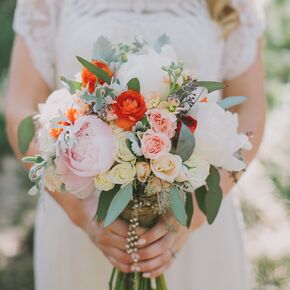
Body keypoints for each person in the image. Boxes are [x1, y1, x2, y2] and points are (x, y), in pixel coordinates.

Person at [5, 0, 266, 289]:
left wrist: (191, 216)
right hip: (78, 219)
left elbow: (250, 110)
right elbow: (20, 108)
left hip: (195, 220)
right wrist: (84, 214)